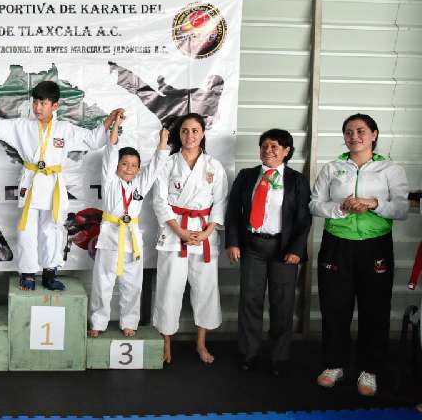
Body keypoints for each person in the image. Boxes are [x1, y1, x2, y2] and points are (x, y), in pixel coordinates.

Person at [310, 113, 408, 396]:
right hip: (337, 243)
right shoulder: (333, 167)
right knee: (334, 306)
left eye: (361, 131)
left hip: (375, 245)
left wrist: (374, 203)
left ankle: (370, 369)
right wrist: (340, 208)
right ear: (344, 137)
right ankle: (334, 364)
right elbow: (315, 205)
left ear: (374, 134)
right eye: (349, 132)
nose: (355, 136)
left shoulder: (390, 169)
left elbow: (401, 209)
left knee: (375, 308)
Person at [0, 80, 110, 290]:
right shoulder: (22, 126)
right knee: (27, 229)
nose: (37, 107)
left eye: (43, 103)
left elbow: (93, 140)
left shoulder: (64, 129)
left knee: (52, 229)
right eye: (35, 102)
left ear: (55, 106)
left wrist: (109, 122)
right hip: (31, 182)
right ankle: (27, 272)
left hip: (53, 185)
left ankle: (49, 272)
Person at [225, 129, 311, 377]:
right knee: (250, 301)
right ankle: (248, 353)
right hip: (252, 246)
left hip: (284, 250)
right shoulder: (247, 176)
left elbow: (303, 219)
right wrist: (233, 242)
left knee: (282, 303)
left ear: (287, 151)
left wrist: (297, 249)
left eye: (275, 147)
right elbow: (233, 213)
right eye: (264, 146)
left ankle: (279, 356)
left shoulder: (297, 180)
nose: (268, 151)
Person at [152, 113, 227, 364]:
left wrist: (206, 232)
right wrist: (181, 231)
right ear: (178, 134)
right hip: (175, 233)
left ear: (203, 134)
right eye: (185, 131)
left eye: (195, 131)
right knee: (169, 288)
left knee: (205, 289)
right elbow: (160, 202)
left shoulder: (213, 166)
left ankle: (201, 343)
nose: (190, 136)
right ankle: (166, 343)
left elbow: (220, 202)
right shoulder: (167, 164)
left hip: (204, 234)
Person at [88, 114, 169, 338]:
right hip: (109, 238)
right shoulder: (110, 181)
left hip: (132, 240)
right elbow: (110, 151)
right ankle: (98, 322)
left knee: (133, 284)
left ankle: (129, 322)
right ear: (116, 166)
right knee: (102, 283)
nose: (129, 168)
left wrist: (163, 143)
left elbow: (154, 168)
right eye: (124, 164)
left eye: (134, 165)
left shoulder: (140, 185)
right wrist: (115, 127)